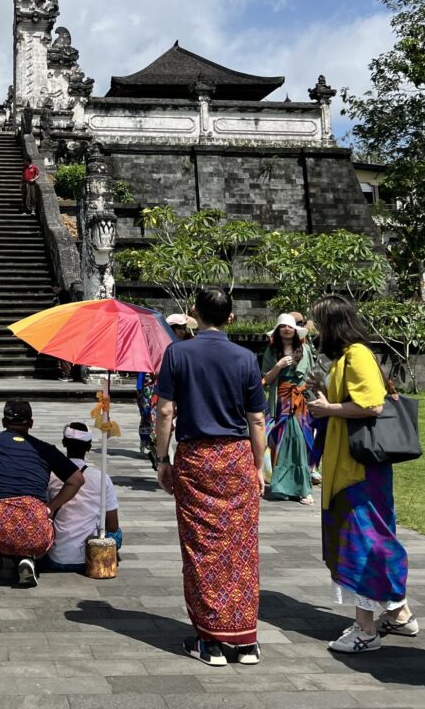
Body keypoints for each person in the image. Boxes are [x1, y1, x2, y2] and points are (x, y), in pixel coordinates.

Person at [154, 286, 267, 668]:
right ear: (230, 317)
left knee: (201, 549)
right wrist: (256, 465)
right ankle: (246, 641)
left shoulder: (178, 353)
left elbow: (166, 411)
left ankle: (211, 640)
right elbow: (257, 419)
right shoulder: (246, 358)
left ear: (193, 314)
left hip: (196, 458)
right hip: (236, 457)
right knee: (241, 549)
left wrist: (161, 458)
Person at [306, 295, 416, 654]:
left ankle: (365, 629)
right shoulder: (347, 357)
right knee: (374, 539)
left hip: (358, 470)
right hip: (353, 468)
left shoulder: (356, 355)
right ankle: (399, 613)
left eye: (318, 322)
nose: (315, 329)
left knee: (363, 543)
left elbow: (372, 404)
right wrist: (324, 396)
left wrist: (327, 408)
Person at [0, 399, 84, 586]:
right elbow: (77, 480)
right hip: (35, 530)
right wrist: (50, 507)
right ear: (31, 423)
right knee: (37, 509)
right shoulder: (46, 450)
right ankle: (28, 557)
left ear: (4, 423)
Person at [43, 421, 120, 571]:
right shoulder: (101, 478)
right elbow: (112, 525)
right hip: (90, 557)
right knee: (117, 532)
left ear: (64, 443)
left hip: (55, 556)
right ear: (89, 447)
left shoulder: (51, 476)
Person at [261, 312, 317, 504]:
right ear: (277, 330)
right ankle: (281, 486)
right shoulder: (271, 351)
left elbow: (311, 377)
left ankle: (303, 488)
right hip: (280, 401)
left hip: (300, 401)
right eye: (283, 326)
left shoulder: (306, 349)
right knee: (281, 441)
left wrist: (305, 391)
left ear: (295, 330)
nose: (286, 329)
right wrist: (278, 365)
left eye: (290, 326)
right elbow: (265, 381)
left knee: (300, 440)